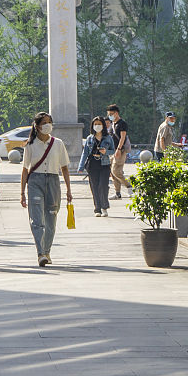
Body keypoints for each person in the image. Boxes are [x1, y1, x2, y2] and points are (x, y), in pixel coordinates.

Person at [19, 112, 72, 267]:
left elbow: (64, 168)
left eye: (49, 122)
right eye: (44, 122)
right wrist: (22, 192)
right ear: (37, 126)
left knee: (51, 219)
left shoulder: (58, 143)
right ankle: (40, 253)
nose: (47, 125)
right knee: (37, 220)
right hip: (35, 180)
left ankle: (47, 250)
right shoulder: (30, 145)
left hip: (54, 181)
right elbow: (24, 169)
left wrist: (69, 189)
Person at [78, 116, 116, 217]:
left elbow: (113, 150)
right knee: (94, 186)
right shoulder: (90, 138)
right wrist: (81, 166)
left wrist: (105, 152)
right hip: (92, 164)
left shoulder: (108, 138)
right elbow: (85, 153)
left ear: (103, 125)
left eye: (99, 124)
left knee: (103, 186)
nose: (97, 126)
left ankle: (104, 207)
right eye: (95, 124)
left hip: (104, 164)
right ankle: (97, 208)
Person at [106, 104, 130, 200]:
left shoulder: (122, 123)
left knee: (116, 171)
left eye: (111, 114)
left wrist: (119, 149)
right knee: (112, 172)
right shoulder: (112, 124)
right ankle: (117, 193)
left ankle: (129, 187)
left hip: (120, 150)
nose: (110, 116)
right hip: (112, 150)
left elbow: (123, 137)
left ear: (116, 113)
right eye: (109, 114)